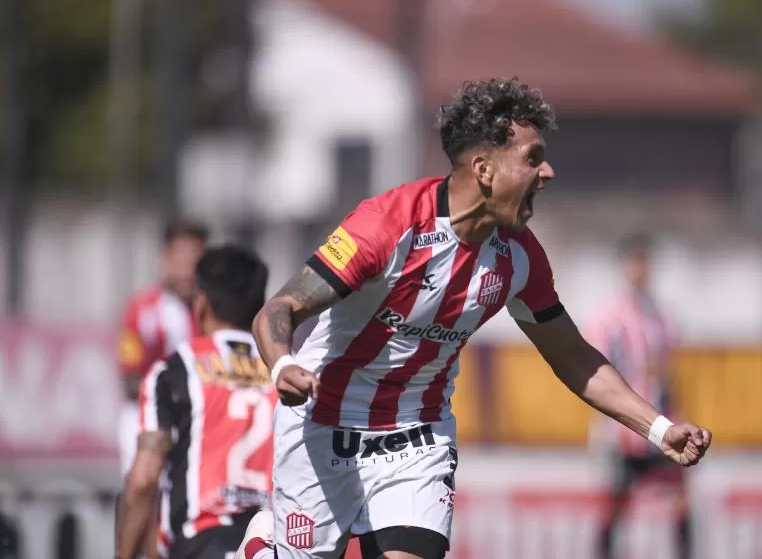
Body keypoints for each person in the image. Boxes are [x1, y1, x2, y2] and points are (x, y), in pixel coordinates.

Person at [245, 77, 713, 559]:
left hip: (417, 438)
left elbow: (573, 356)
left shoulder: (520, 258)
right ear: (484, 169)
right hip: (322, 425)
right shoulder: (387, 224)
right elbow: (280, 308)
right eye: (532, 158)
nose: (547, 172)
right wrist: (281, 366)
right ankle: (262, 547)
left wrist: (658, 429)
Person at [117, 245, 274, 559]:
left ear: (201, 304)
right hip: (271, 543)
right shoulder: (286, 371)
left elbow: (144, 479)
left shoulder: (174, 371)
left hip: (201, 541)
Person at [585, 233, 691, 559]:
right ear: (625, 266)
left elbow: (667, 374)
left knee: (681, 496)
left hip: (658, 426)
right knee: (616, 503)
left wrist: (677, 414)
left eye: (646, 262)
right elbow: (595, 371)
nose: (641, 269)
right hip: (623, 429)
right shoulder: (608, 317)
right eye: (636, 262)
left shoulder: (662, 317)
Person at [117, 219, 209, 477]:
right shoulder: (142, 310)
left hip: (199, 419)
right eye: (182, 261)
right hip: (149, 418)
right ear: (165, 259)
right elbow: (131, 379)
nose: (188, 272)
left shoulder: (212, 311)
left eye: (196, 262)